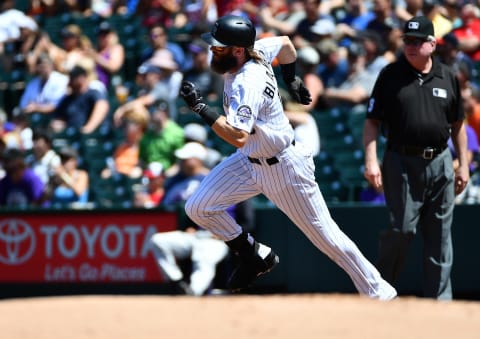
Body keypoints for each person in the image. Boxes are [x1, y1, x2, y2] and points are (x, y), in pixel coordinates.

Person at [178, 15, 397, 300]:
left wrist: (200, 108)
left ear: (237, 50)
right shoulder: (256, 51)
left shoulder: (247, 81)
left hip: (284, 168)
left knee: (328, 238)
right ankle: (253, 254)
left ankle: (380, 292)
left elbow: (237, 135)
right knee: (198, 207)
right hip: (249, 160)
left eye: (219, 47)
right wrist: (291, 77)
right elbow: (285, 43)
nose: (212, 50)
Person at [362, 16, 469, 300]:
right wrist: (371, 161)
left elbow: (458, 124)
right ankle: (380, 291)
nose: (410, 45)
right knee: (402, 230)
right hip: (401, 161)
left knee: (440, 236)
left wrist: (464, 166)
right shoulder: (390, 75)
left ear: (432, 44)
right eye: (407, 40)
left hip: (441, 161)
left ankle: (439, 303)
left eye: (417, 41)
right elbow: (372, 121)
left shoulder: (448, 76)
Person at [50, 65, 110, 135]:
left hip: (92, 136)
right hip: (72, 136)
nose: (70, 81)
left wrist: (89, 128)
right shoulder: (67, 99)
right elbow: (59, 118)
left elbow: (102, 106)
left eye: (73, 78)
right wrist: (60, 125)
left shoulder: (93, 94)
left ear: (82, 78)